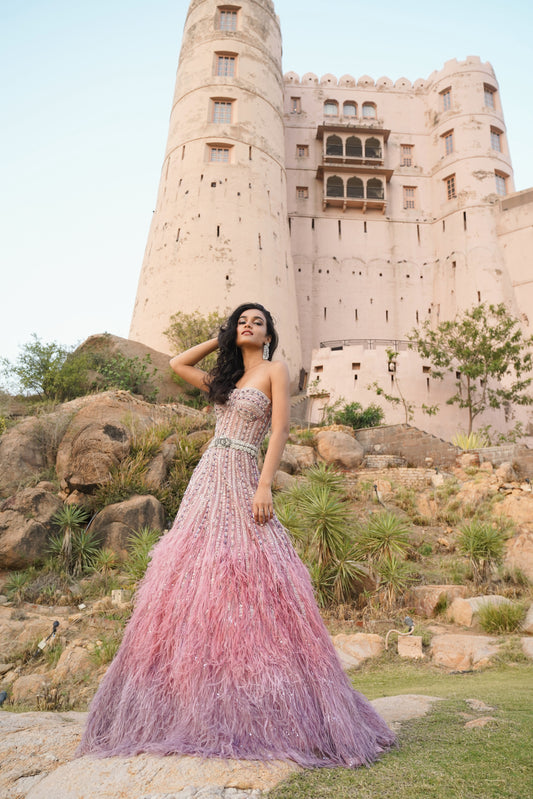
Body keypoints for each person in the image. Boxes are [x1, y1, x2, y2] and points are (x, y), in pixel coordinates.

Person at [77, 302, 396, 767]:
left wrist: (265, 484)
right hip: (208, 476)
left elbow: (281, 427)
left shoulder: (274, 370)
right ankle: (192, 698)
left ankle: (272, 695)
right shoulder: (224, 380)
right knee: (195, 570)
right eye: (242, 321)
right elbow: (177, 365)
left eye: (257, 322)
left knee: (255, 566)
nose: (248, 326)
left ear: (269, 335)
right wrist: (219, 336)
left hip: (245, 471)